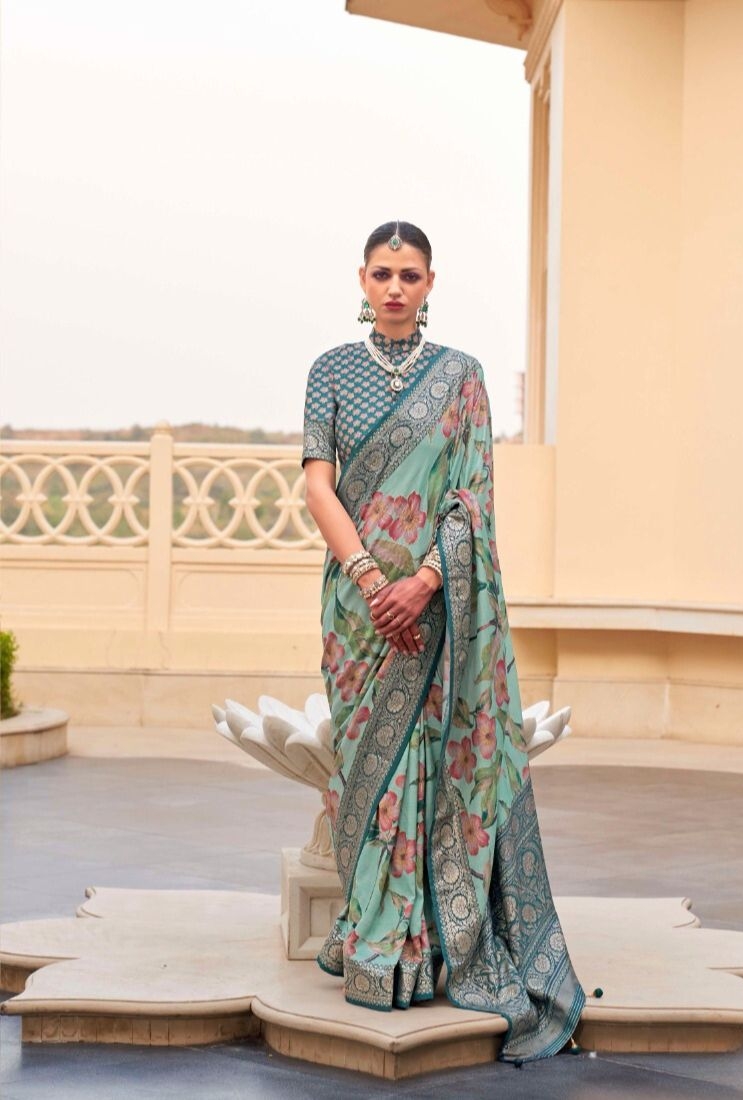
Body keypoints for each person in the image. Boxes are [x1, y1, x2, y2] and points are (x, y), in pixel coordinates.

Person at [301, 220, 585, 1062]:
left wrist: (425, 581)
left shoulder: (461, 377)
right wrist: (367, 579)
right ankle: (376, 938)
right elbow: (316, 481)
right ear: (362, 277)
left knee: (429, 755)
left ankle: (428, 944)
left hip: (438, 600)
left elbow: (472, 495)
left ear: (431, 283)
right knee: (367, 759)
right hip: (358, 607)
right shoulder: (330, 372)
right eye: (383, 273)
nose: (395, 288)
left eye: (410, 275)